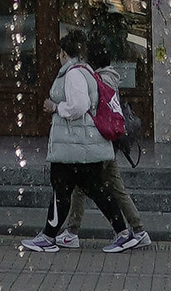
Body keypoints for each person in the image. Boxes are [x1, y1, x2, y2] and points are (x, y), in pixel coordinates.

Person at [21, 38, 150, 252]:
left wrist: (56, 108)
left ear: (63, 53)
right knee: (94, 191)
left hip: (74, 145)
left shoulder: (73, 74)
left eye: (59, 53)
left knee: (64, 189)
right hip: (81, 145)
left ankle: (51, 237)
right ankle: (121, 233)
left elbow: (79, 106)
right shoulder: (86, 71)